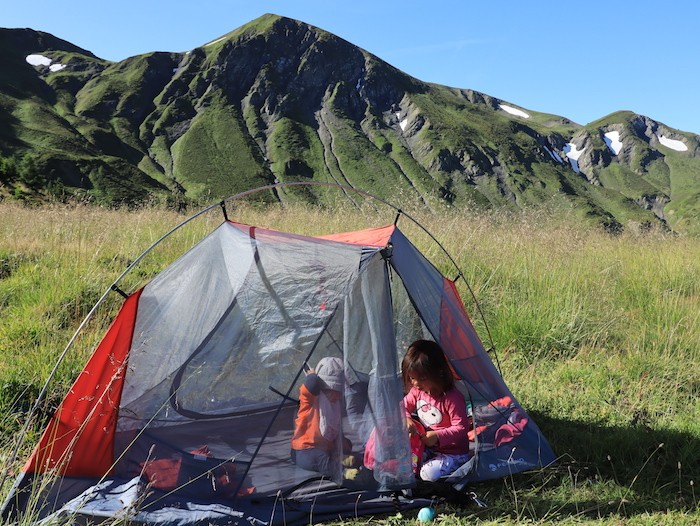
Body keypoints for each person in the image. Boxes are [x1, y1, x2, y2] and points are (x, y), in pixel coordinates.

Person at [402, 339, 471, 482]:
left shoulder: (452, 398)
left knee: (428, 474)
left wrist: (437, 436)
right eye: (412, 378)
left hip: (453, 453)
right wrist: (407, 419)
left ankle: (460, 465)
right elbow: (402, 406)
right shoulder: (417, 391)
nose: (415, 383)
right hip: (426, 447)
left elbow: (461, 428)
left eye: (421, 378)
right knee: (404, 464)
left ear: (438, 373)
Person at [291, 356, 348, 479]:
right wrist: (312, 375)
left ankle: (338, 459)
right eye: (334, 390)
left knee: (346, 446)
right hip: (305, 450)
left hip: (325, 448)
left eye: (339, 391)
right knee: (318, 458)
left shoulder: (335, 403)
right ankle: (343, 473)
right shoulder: (311, 400)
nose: (337, 395)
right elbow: (311, 383)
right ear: (324, 388)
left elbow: (334, 429)